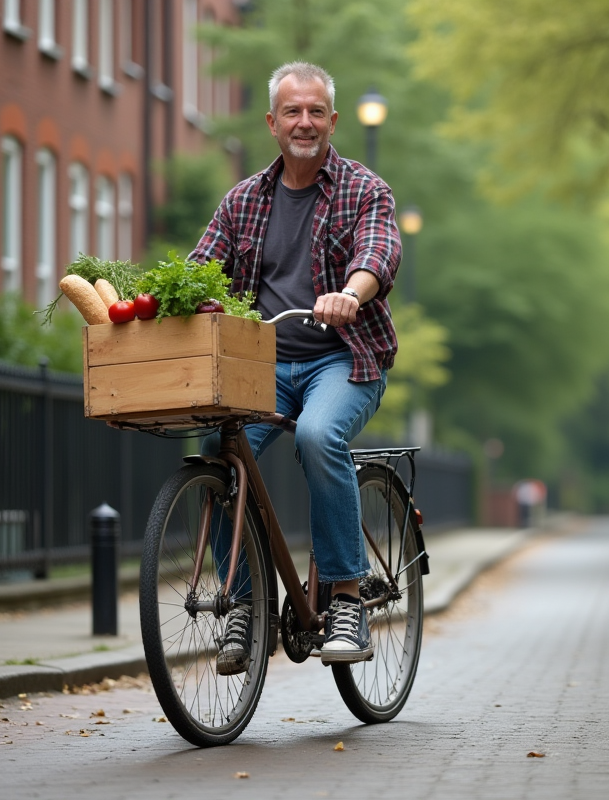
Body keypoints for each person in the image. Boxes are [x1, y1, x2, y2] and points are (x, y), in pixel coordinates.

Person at [188, 61, 401, 673]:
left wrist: (352, 294)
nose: (303, 122)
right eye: (292, 112)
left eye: (315, 112)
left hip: (344, 359)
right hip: (264, 366)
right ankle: (245, 607)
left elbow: (379, 252)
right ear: (272, 124)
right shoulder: (243, 200)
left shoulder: (364, 189)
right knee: (219, 445)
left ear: (333, 121)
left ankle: (345, 596)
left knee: (317, 435)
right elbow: (204, 265)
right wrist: (192, 296)